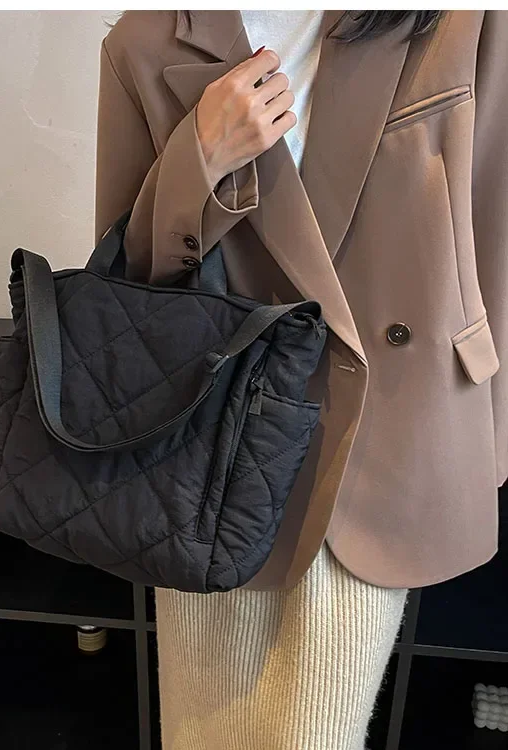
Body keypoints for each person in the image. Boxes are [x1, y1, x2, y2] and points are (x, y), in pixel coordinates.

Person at [95, 10, 508, 750]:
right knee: (199, 733)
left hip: (382, 435)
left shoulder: (460, 21)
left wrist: (489, 434)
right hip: (213, 452)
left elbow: (495, 220)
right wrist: (198, 161)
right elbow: (127, 290)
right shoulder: (146, 40)